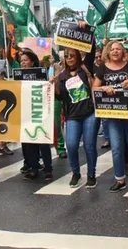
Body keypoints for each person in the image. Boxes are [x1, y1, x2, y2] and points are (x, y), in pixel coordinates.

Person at [93, 40, 128, 192]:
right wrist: (105, 88)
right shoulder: (102, 69)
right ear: (108, 52)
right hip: (112, 113)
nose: (115, 51)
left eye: (119, 49)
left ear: (123, 52)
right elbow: (94, 88)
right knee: (117, 147)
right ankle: (120, 179)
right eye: (112, 49)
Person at [56, 48, 97, 188]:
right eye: (67, 56)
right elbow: (60, 96)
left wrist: (85, 29)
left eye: (72, 56)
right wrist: (53, 85)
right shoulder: (62, 75)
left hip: (89, 113)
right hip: (72, 116)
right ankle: (76, 173)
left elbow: (92, 51)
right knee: (71, 145)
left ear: (78, 57)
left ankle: (91, 175)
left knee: (89, 145)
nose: (69, 59)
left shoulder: (85, 69)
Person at [18, 50, 54, 180]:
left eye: (25, 60)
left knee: (43, 141)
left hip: (40, 111)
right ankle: (34, 168)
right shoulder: (18, 75)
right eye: (21, 61)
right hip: (26, 112)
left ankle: (48, 169)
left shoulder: (41, 74)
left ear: (32, 61)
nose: (23, 63)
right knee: (30, 141)